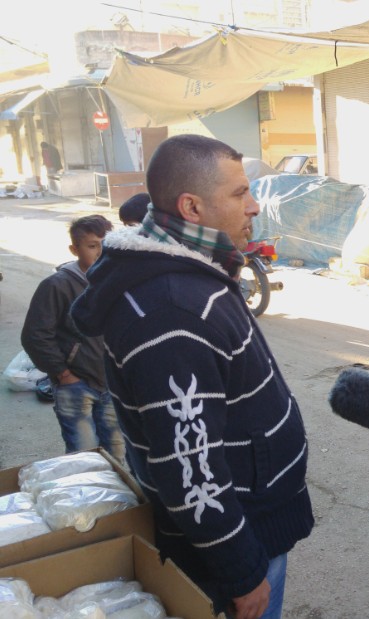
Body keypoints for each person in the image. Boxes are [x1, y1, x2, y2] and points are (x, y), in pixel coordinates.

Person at [71, 134, 314, 619]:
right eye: (240, 193)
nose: (253, 207)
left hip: (249, 524)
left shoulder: (188, 274)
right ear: (192, 207)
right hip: (232, 548)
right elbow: (189, 467)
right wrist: (242, 573)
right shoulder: (173, 309)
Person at [21, 215, 125, 462]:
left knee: (117, 452)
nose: (100, 252)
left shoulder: (117, 281)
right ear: (74, 249)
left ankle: (119, 502)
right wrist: (63, 373)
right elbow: (35, 335)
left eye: (105, 244)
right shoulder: (57, 285)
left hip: (111, 384)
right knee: (84, 455)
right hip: (75, 385)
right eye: (91, 246)